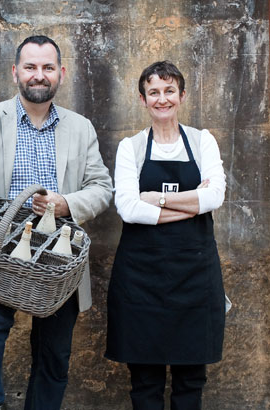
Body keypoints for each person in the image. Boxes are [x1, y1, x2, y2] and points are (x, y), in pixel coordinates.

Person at [0, 35, 112, 410]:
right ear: (16, 72)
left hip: (57, 257)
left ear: (60, 74)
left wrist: (66, 203)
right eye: (30, 67)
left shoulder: (81, 128)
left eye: (48, 68)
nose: (39, 75)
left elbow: (102, 188)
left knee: (54, 355)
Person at [105, 61, 227, 410]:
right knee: (145, 380)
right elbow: (128, 209)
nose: (162, 99)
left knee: (191, 380)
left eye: (169, 91)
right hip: (141, 281)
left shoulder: (203, 141)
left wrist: (156, 199)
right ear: (143, 99)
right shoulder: (132, 148)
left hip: (195, 277)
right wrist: (191, 203)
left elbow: (215, 197)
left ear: (182, 95)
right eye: (154, 92)